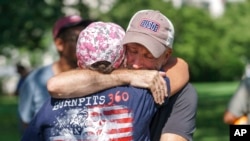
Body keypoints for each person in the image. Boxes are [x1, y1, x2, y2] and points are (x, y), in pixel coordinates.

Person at [47, 10, 198, 141]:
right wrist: (127, 77)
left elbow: (180, 67)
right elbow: (56, 85)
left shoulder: (182, 94)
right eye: (132, 50)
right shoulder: (101, 78)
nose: (137, 63)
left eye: (149, 56)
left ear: (166, 56)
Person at [21, 21, 170, 141]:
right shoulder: (144, 93)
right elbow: (179, 71)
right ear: (122, 57)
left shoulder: (49, 106)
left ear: (79, 61)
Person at [18, 15, 93, 134]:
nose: (86, 45)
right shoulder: (34, 81)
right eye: (78, 39)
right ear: (59, 44)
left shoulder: (95, 79)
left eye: (88, 39)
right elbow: (27, 126)